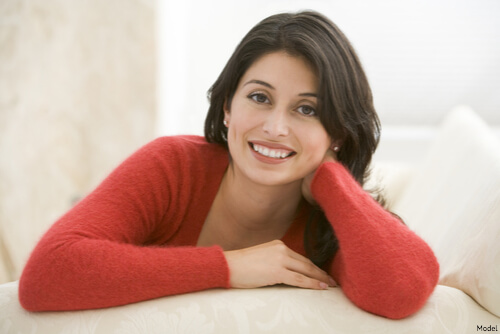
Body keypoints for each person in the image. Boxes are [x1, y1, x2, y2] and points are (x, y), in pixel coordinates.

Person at [18, 11, 439, 319]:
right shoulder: (174, 166)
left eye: (308, 110)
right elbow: (46, 274)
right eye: (259, 97)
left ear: (339, 133)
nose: (275, 127)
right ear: (226, 108)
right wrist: (228, 266)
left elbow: (403, 290)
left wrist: (331, 178)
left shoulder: (331, 223)